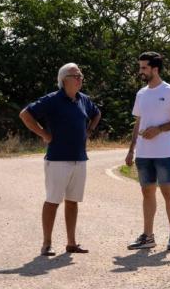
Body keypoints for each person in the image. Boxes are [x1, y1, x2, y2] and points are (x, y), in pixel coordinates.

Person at [19, 63, 101, 256]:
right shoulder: (52, 100)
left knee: (73, 202)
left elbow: (97, 114)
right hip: (57, 160)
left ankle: (71, 243)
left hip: (79, 159)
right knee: (53, 201)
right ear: (64, 79)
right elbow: (25, 115)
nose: (80, 78)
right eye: (76, 75)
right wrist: (42, 133)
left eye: (81, 75)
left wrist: (89, 130)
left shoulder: (84, 100)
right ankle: (47, 244)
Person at [125, 51, 170, 251]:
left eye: (144, 67)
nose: (140, 71)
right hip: (143, 154)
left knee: (168, 193)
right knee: (147, 193)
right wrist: (131, 150)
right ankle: (148, 236)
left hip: (164, 153)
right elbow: (138, 122)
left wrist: (159, 129)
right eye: (140, 67)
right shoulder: (141, 93)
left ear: (155, 69)